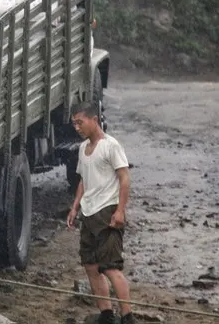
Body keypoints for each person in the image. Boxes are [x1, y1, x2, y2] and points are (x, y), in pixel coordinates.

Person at [67, 102, 135, 324]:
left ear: (94, 120)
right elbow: (83, 180)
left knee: (111, 267)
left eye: (80, 122)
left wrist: (120, 211)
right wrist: (75, 207)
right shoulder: (82, 148)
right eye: (74, 123)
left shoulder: (110, 146)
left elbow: (124, 178)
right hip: (88, 213)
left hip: (107, 213)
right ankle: (106, 314)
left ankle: (127, 316)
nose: (77, 127)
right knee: (90, 265)